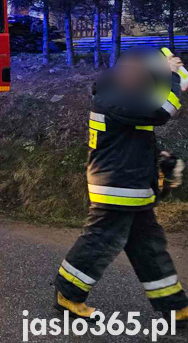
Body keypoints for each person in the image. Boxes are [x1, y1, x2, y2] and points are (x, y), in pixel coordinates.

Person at [54, 49, 188, 320]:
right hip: (117, 186)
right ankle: (68, 295)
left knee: (148, 247)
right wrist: (172, 76)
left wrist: (159, 158)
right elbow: (163, 110)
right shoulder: (114, 98)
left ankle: (174, 306)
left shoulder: (123, 97)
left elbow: (130, 140)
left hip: (132, 184)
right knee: (101, 241)